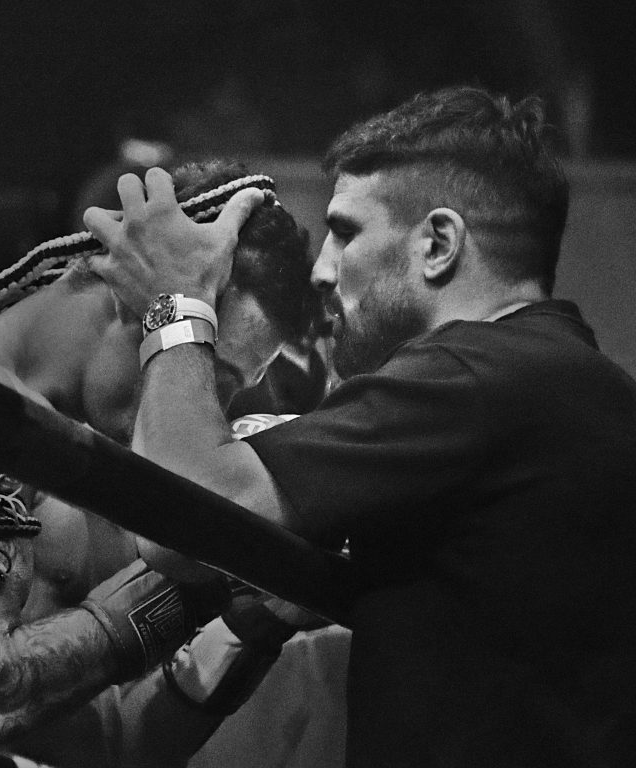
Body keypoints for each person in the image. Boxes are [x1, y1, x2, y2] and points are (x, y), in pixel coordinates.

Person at [84, 85, 636, 767]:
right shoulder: (580, 385)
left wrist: (176, 301)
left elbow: (180, 522)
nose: (322, 269)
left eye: (346, 231)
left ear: (438, 243)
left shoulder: (474, 375)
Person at [0, 159, 324, 767]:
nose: (211, 410)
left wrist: (253, 621)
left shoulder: (113, 463)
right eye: (213, 374)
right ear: (137, 299)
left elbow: (112, 748)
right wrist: (214, 558)